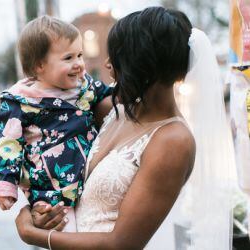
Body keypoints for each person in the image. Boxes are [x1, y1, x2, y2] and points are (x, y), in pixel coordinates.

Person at [14, 7, 231, 249]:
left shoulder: (173, 140)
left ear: (143, 64)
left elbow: (122, 244)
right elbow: (43, 147)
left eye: (117, 57)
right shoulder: (110, 110)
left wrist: (31, 234)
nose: (107, 65)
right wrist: (39, 209)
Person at [0, 15, 112, 232]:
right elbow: (8, 145)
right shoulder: (20, 101)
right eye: (68, 58)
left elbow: (109, 94)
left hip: (90, 178)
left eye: (80, 55)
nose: (79, 64)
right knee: (68, 236)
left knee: (96, 228)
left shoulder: (84, 86)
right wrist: (5, 185)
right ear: (39, 66)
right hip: (50, 190)